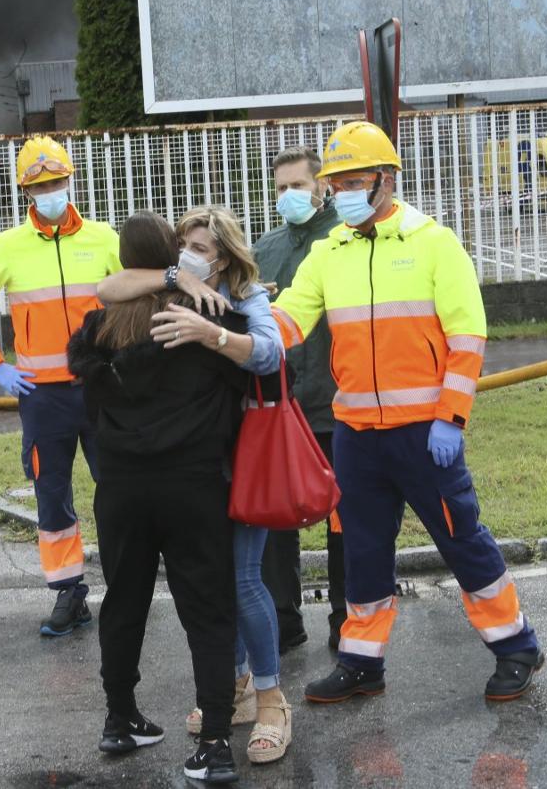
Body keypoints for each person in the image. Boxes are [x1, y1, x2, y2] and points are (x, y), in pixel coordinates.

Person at [271, 121, 544, 703]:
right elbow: (290, 320)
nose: (341, 190)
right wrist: (236, 322)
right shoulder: (329, 252)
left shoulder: (432, 243)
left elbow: (468, 334)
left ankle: (517, 645)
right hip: (356, 437)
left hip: (425, 433)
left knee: (460, 538)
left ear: (387, 181)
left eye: (354, 180)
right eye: (335, 181)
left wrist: (451, 417)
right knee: (363, 549)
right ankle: (362, 661)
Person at [97, 205, 291, 766]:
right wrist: (179, 286)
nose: (189, 256)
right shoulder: (171, 304)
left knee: (231, 585)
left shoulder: (233, 304)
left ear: (225, 256)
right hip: (198, 481)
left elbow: (273, 359)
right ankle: (219, 727)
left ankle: (263, 700)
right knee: (210, 604)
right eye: (182, 246)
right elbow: (109, 286)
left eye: (200, 249)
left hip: (207, 475)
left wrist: (212, 331)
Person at [68, 210, 249, 785]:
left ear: (125, 262)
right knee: (208, 609)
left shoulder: (99, 329)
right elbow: (249, 381)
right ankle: (216, 742)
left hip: (120, 486)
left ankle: (119, 719)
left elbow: (90, 405)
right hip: (194, 484)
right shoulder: (202, 317)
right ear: (171, 259)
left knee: (123, 602)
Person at [0, 136, 121, 636]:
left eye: (56, 182)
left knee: (117, 488)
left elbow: (136, 296)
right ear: (26, 190)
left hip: (100, 387)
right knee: (52, 494)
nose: (49, 191)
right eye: (39, 185)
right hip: (42, 396)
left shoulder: (104, 238)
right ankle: (69, 593)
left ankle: (125, 582)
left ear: (70, 181)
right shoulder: (8, 246)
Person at [251, 145, 347, 654]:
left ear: (322, 186)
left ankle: (345, 620)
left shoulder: (343, 240)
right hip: (281, 407)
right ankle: (283, 622)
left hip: (335, 402)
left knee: (342, 521)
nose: (289, 195)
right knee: (277, 521)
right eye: (281, 187)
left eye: (299, 186)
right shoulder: (265, 248)